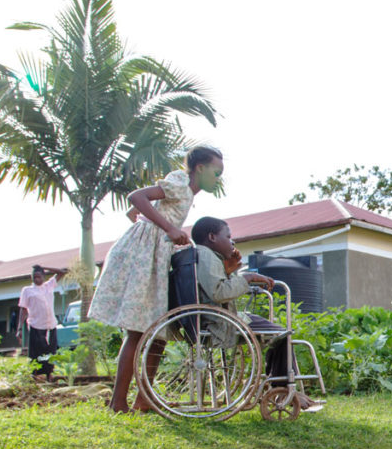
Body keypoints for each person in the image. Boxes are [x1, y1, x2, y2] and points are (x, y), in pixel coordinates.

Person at [90, 146, 224, 413]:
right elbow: (136, 197)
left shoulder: (186, 193)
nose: (217, 178)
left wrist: (166, 231)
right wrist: (169, 228)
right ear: (199, 168)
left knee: (156, 331)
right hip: (143, 254)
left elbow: (141, 211)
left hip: (156, 255)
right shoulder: (180, 183)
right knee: (138, 331)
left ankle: (143, 399)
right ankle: (118, 403)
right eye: (216, 172)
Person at [191, 216, 321, 410]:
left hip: (214, 317)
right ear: (211, 237)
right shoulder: (206, 256)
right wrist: (248, 277)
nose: (232, 241)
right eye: (228, 236)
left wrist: (230, 273)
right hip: (220, 321)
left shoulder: (201, 256)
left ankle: (277, 387)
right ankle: (282, 390)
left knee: (273, 329)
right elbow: (219, 292)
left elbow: (214, 288)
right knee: (281, 334)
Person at [16, 264, 68, 381]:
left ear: (44, 276)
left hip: (51, 326)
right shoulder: (27, 290)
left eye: (39, 276)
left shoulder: (48, 286)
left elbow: (62, 271)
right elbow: (23, 309)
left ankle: (49, 375)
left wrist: (45, 267)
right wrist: (19, 328)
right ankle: (35, 376)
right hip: (36, 326)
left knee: (50, 352)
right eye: (34, 277)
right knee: (36, 354)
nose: (36, 279)